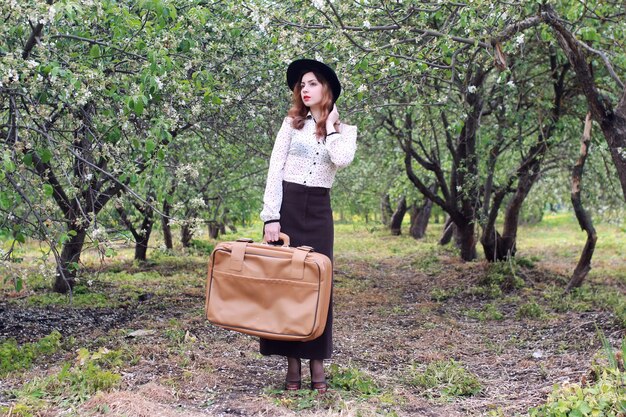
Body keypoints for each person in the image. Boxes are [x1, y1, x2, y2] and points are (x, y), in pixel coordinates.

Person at [260, 59, 358, 393]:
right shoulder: (290, 124)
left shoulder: (344, 132)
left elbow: (342, 160)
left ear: (327, 89)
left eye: (312, 83)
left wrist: (329, 126)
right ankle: (292, 369)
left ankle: (317, 369)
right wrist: (271, 216)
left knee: (318, 287)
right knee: (286, 286)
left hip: (318, 210)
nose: (304, 89)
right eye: (301, 85)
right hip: (288, 207)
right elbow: (275, 170)